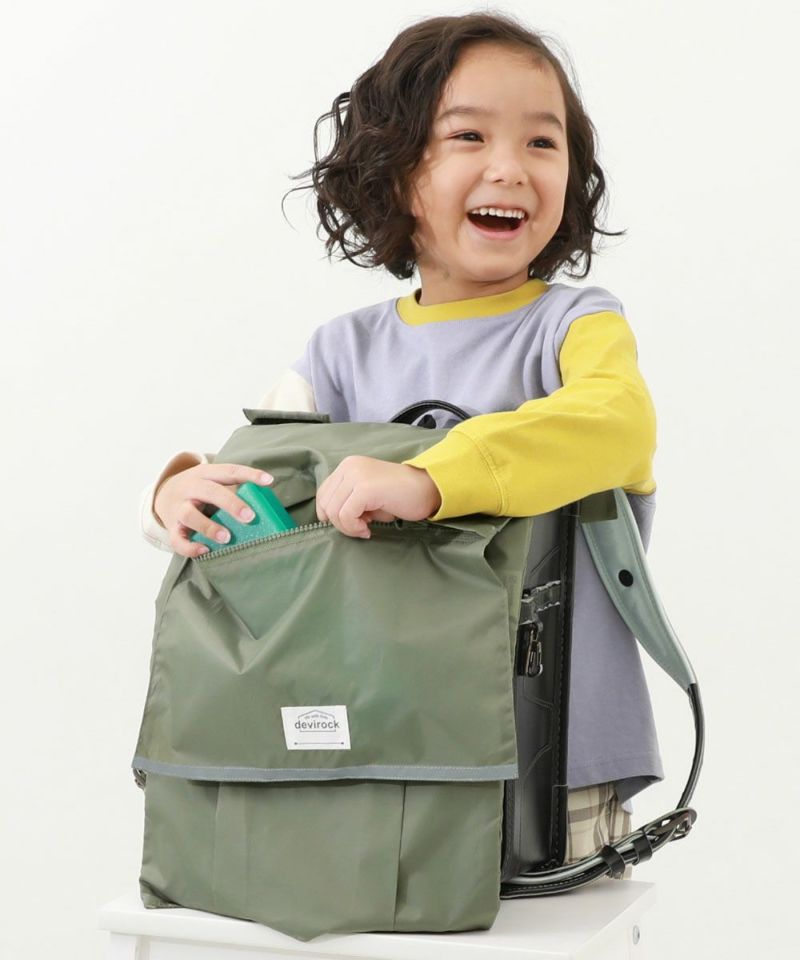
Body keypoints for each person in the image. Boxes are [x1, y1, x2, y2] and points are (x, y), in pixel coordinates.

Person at [139, 12, 666, 880]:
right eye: (468, 136)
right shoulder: (340, 353)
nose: (511, 167)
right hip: (382, 754)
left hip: (547, 765)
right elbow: (257, 492)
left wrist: (432, 477)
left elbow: (616, 422)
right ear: (394, 170)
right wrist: (175, 495)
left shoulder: (575, 326)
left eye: (543, 141)